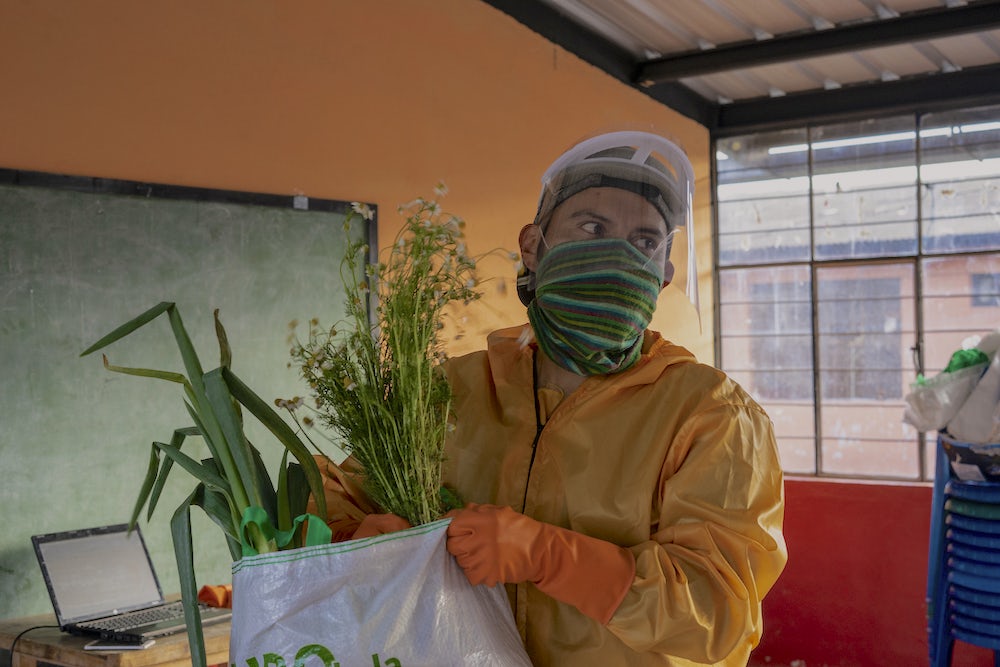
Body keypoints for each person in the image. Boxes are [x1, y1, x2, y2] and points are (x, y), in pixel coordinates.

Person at [318, 130, 787, 666]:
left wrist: (552, 558)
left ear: (663, 274)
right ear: (532, 247)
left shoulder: (714, 414)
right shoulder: (446, 391)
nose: (617, 253)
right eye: (592, 227)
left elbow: (718, 616)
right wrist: (359, 540)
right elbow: (328, 503)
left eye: (645, 241)